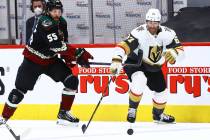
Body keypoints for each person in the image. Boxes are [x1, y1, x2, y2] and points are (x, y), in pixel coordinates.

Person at [0, 0, 93, 126]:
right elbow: (56, 45)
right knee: (19, 90)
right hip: (32, 60)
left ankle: (63, 114)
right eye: (54, 11)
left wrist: (69, 58)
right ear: (48, 11)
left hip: (51, 61)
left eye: (59, 11)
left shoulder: (62, 22)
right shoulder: (45, 22)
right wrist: (78, 53)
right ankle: (4, 117)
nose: (57, 14)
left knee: (72, 81)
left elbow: (63, 43)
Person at [110, 8, 184, 124]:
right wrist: (116, 59)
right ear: (146, 21)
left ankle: (158, 115)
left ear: (159, 22)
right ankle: (132, 109)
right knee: (140, 79)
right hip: (136, 63)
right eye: (150, 22)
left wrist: (175, 53)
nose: (152, 26)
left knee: (162, 92)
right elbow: (123, 46)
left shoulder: (169, 33)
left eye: (155, 23)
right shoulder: (138, 32)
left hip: (154, 67)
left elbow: (180, 50)